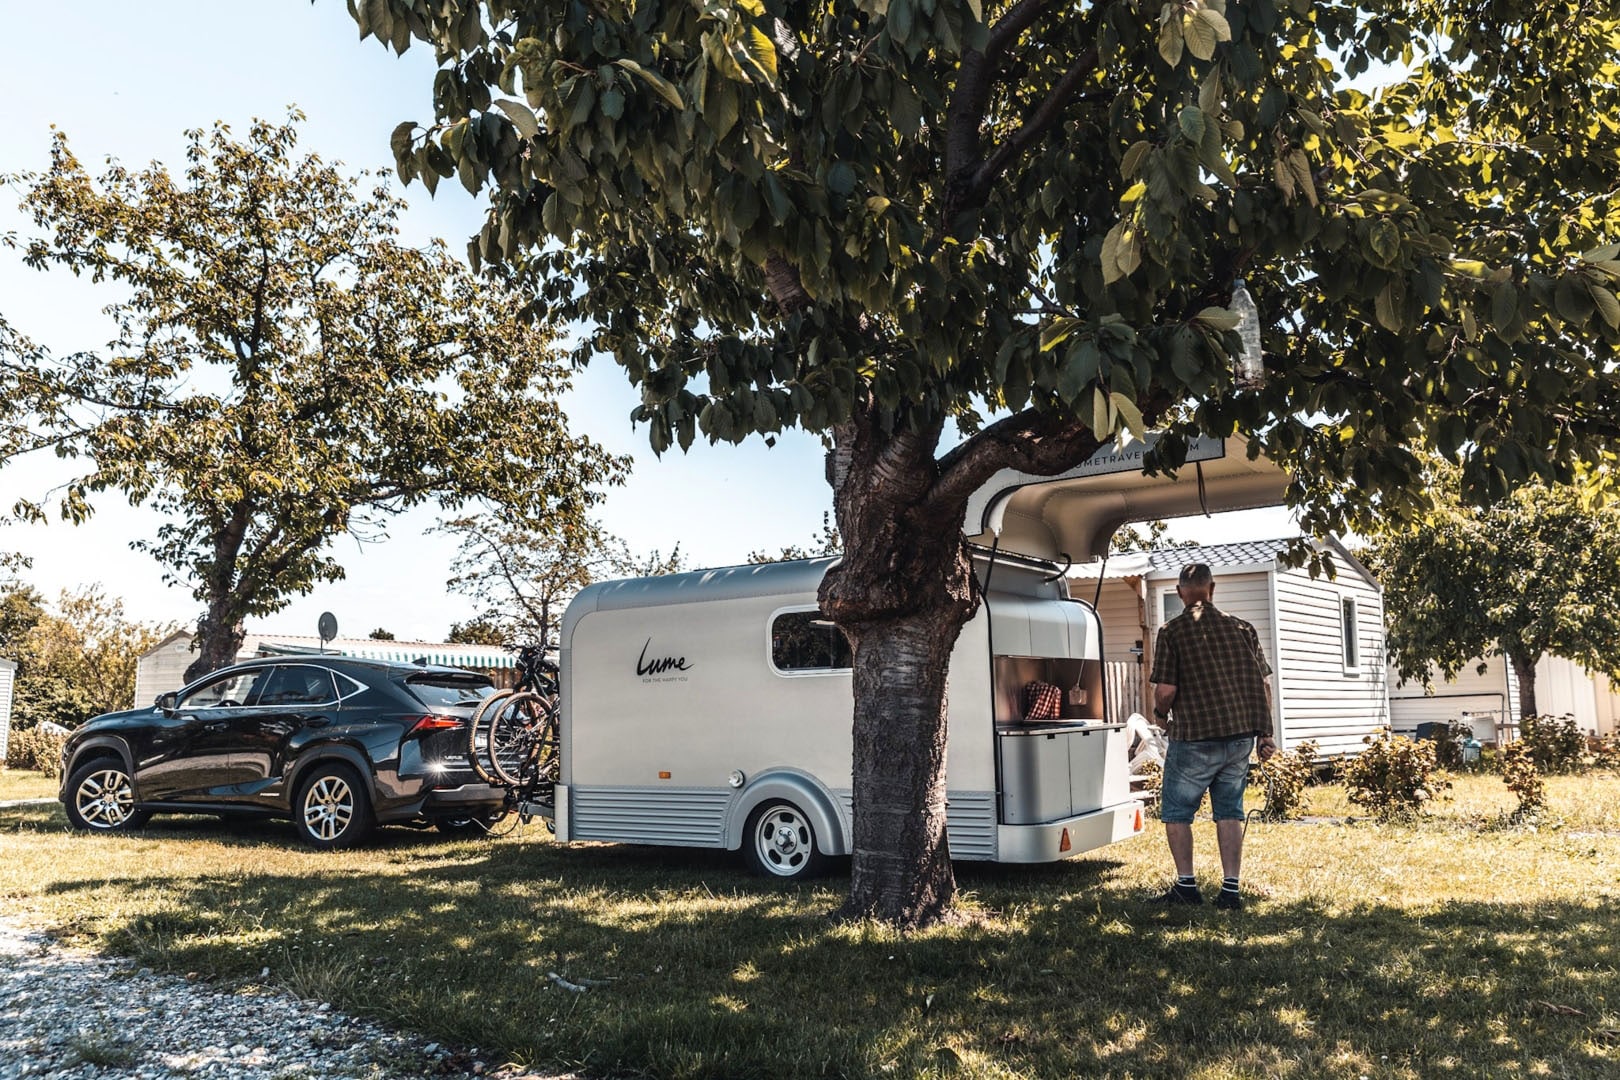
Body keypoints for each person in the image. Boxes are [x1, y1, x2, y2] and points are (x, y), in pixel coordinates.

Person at [1147, 562, 1277, 910]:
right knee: (1230, 812)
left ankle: (1187, 887)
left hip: (1194, 736)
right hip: (1238, 738)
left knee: (1176, 812)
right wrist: (1265, 734)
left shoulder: (1172, 632)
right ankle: (1230, 891)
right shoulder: (1243, 628)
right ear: (1212, 589)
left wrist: (1161, 717)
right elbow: (1263, 685)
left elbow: (1166, 690)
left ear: (1179, 593)